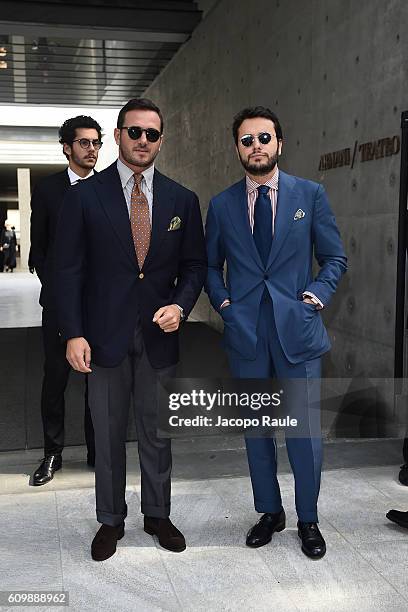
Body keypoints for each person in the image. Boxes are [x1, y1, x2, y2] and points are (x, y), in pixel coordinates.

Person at [54, 98, 207, 561]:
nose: (143, 141)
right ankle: (110, 520)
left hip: (160, 338)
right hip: (101, 339)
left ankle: (157, 515)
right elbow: (67, 271)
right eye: (134, 132)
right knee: (107, 432)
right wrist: (73, 333)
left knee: (157, 432)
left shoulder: (182, 199)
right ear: (118, 135)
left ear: (161, 140)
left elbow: (195, 265)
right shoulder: (84, 196)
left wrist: (181, 306)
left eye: (152, 134)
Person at [205, 106, 347, 559]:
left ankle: (308, 519)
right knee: (257, 431)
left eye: (264, 138)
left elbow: (334, 258)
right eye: (247, 141)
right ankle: (270, 512)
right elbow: (210, 265)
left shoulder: (311, 194)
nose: (256, 147)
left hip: (297, 332)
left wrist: (314, 298)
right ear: (238, 149)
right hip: (247, 334)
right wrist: (225, 304)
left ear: (279, 144)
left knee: (304, 433)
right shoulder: (222, 205)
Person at [30, 115, 101, 486]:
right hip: (59, 304)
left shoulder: (110, 189)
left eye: (96, 143)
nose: (92, 149)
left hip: (100, 307)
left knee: (99, 383)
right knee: (55, 379)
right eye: (84, 142)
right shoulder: (47, 191)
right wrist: (61, 293)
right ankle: (52, 454)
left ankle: (96, 452)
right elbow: (38, 253)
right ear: (67, 146)